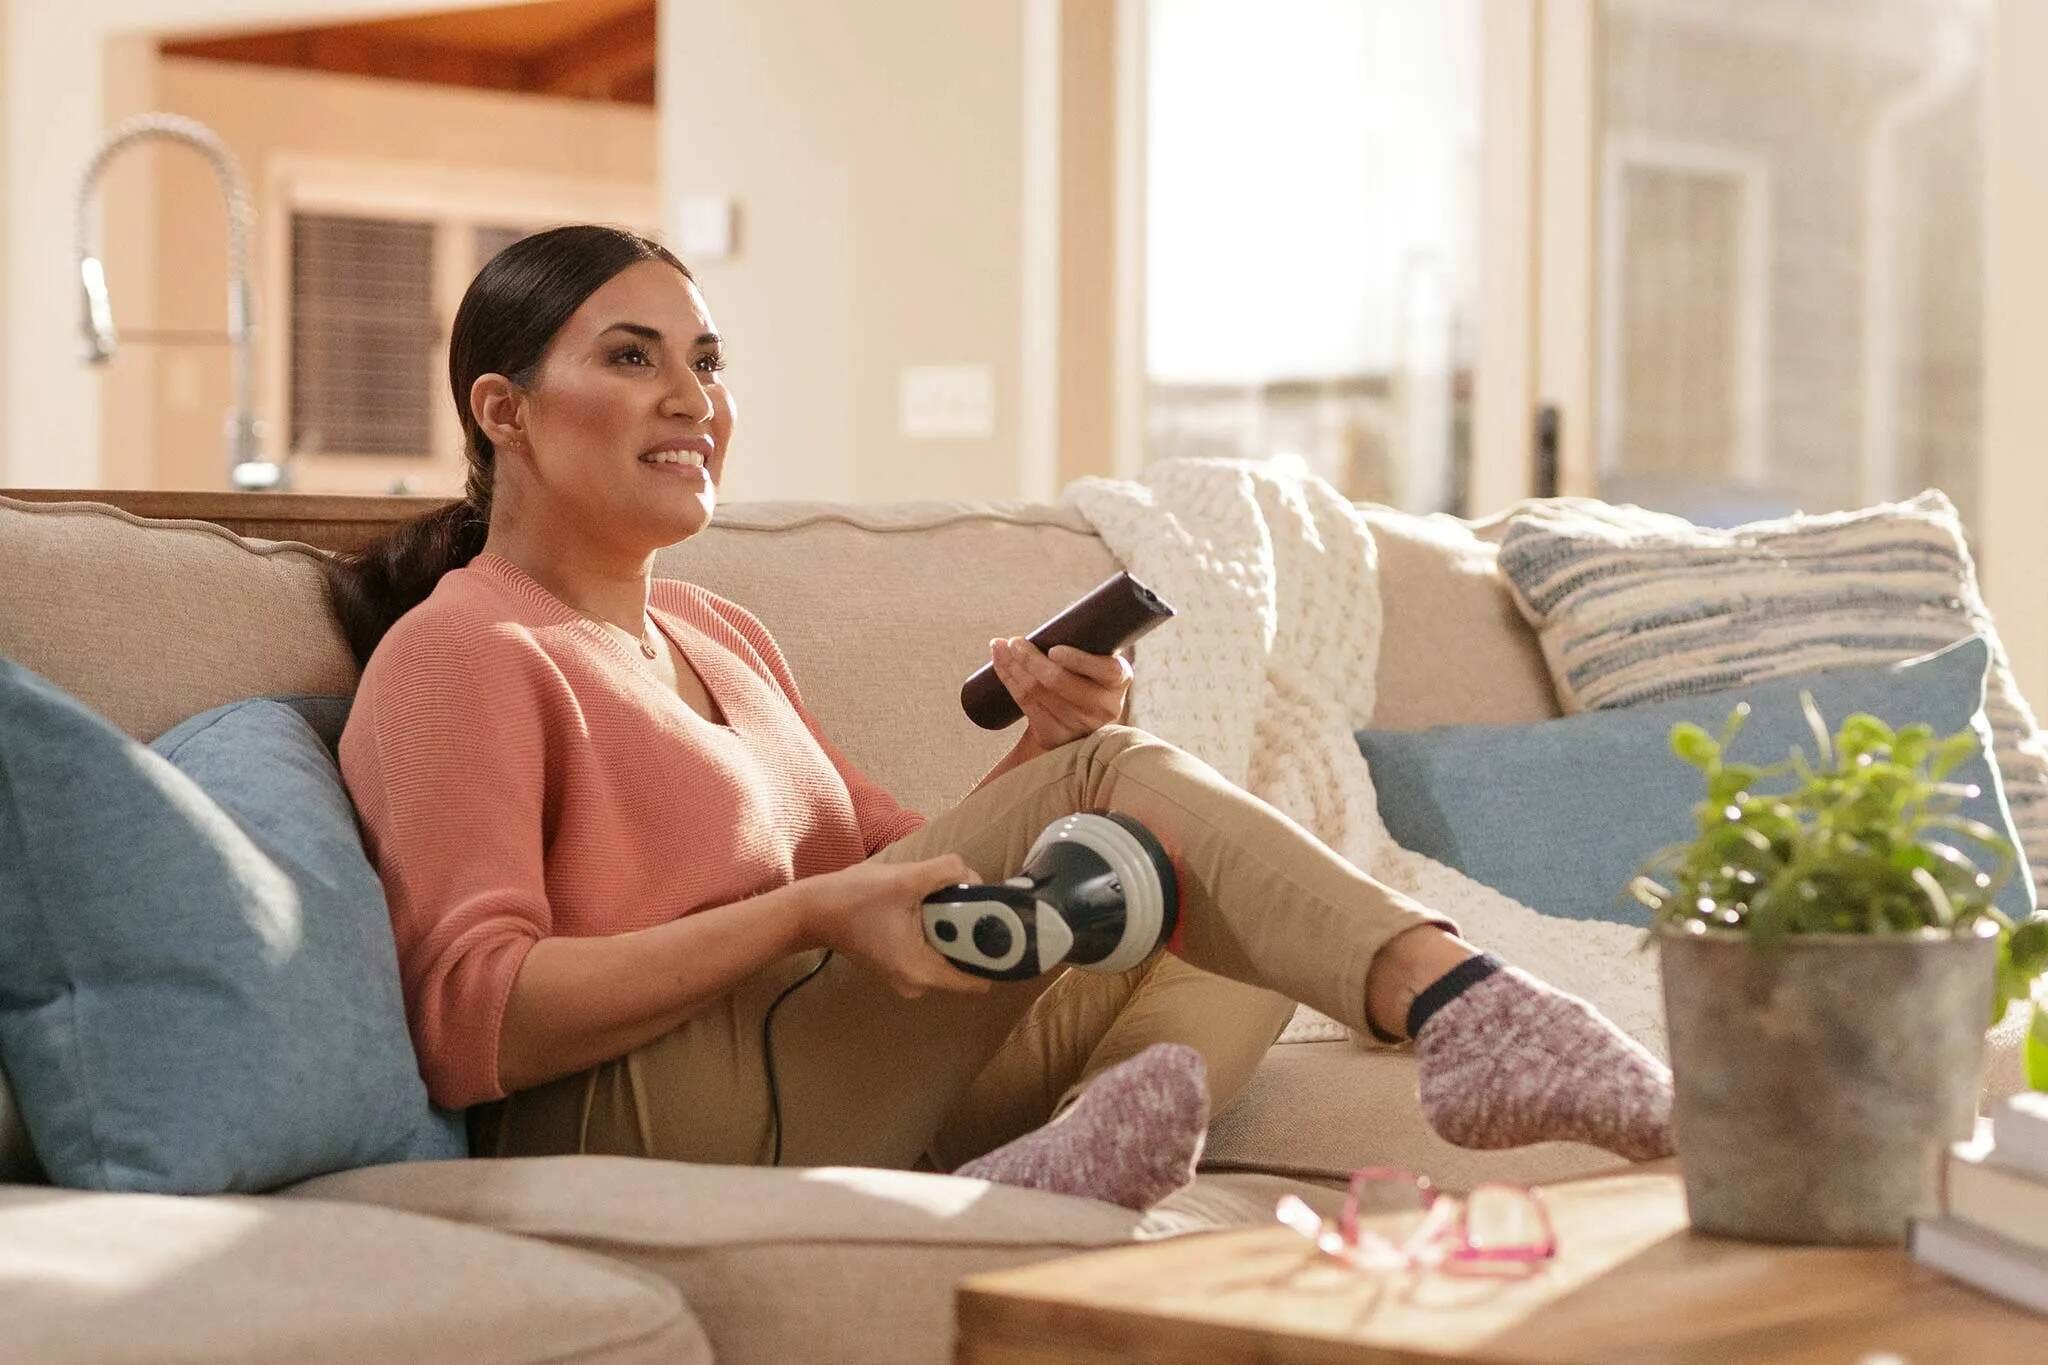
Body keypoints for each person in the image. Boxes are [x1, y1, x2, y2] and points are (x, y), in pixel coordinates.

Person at [327, 224, 1673, 1213]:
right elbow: (470, 1014)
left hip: (821, 1066)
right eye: (634, 358)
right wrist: (804, 912)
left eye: (710, 360)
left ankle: (1058, 1169)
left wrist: (1039, 757)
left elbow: (906, 879)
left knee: (1226, 904)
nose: (696, 400)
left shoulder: (718, 634)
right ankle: (1466, 1003)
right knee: (1123, 782)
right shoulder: (465, 646)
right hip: (626, 1113)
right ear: (501, 408)